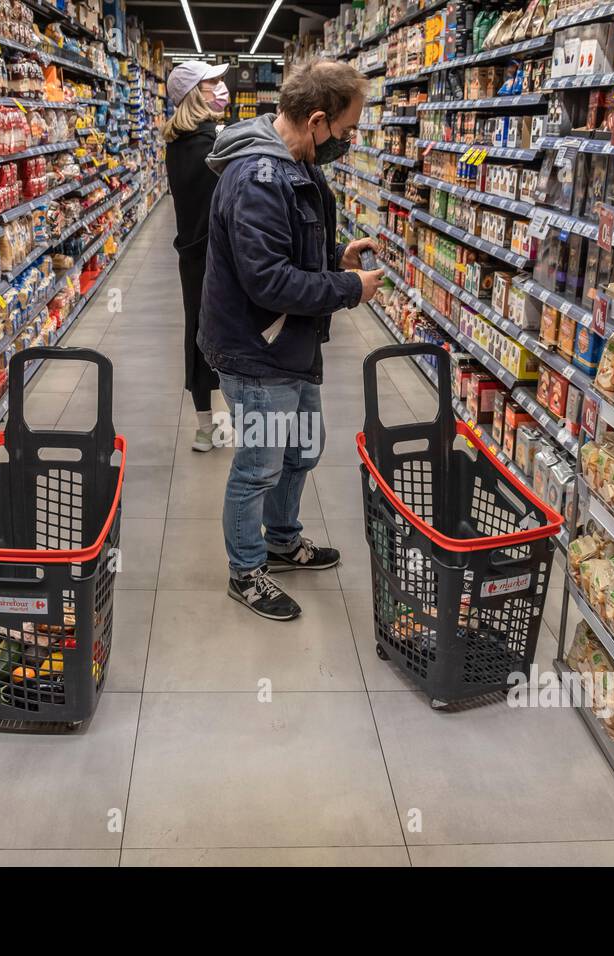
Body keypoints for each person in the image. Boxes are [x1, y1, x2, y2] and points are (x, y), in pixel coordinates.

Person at [199, 59, 382, 621]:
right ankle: (246, 571)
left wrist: (333, 260)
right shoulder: (260, 178)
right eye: (346, 133)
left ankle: (281, 538)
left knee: (302, 449)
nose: (346, 144)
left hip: (289, 347)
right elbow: (267, 281)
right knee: (259, 464)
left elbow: (289, 256)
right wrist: (347, 287)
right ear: (318, 119)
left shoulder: (294, 166)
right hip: (257, 352)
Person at [163, 60, 232, 452]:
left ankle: (205, 427)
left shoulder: (177, 143)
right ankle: (227, 423)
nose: (220, 88)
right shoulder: (211, 147)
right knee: (227, 335)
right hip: (218, 255)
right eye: (212, 83)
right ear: (196, 94)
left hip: (190, 253)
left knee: (197, 334)